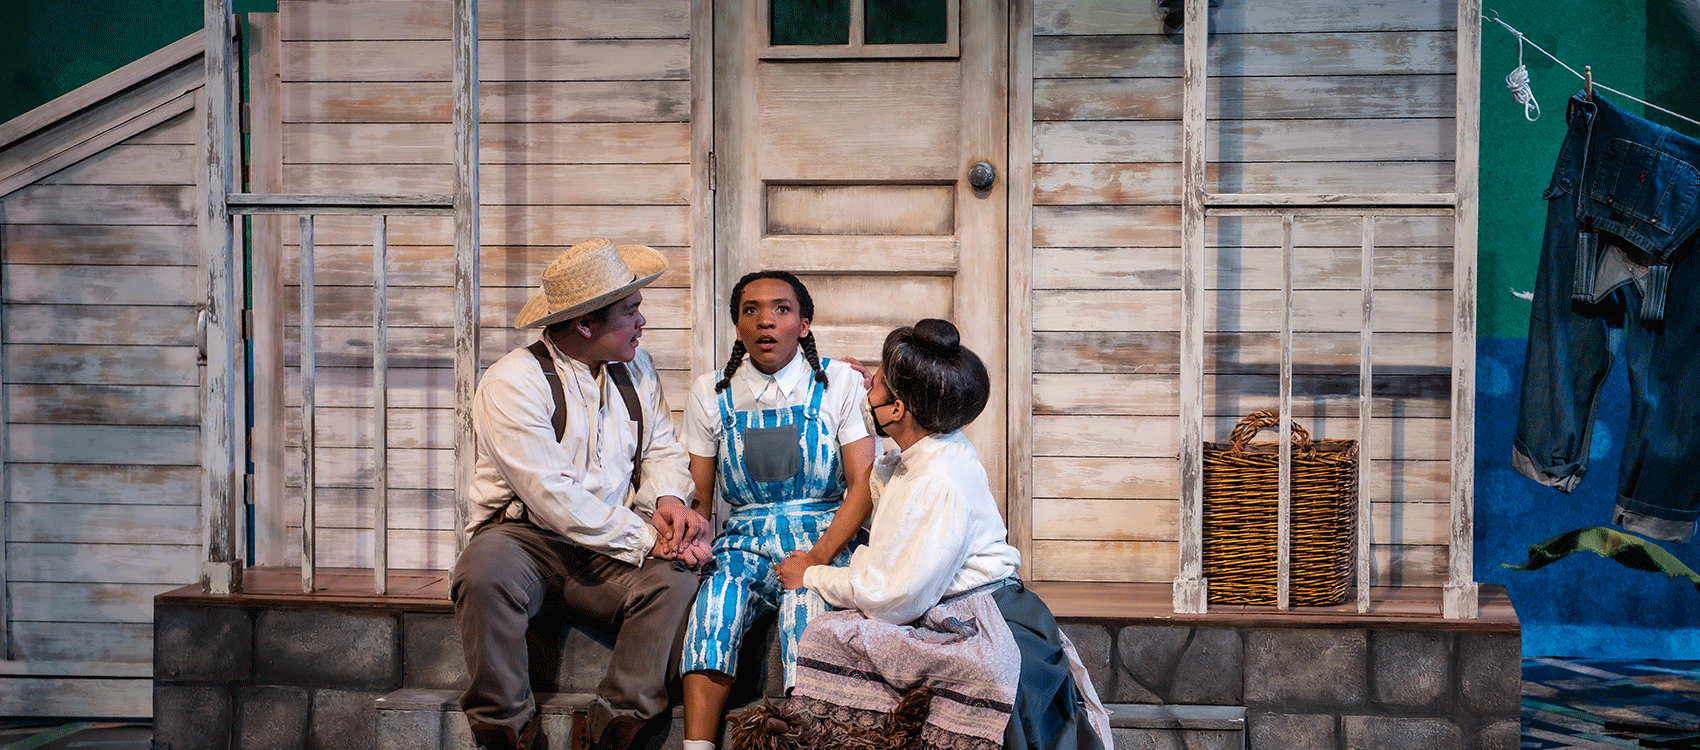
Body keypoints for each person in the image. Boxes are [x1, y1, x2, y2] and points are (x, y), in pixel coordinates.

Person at [770, 318, 1113, 750]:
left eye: (874, 384)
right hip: (948, 604)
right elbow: (879, 483)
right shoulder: (923, 453)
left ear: (898, 410)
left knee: (826, 636)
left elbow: (894, 599)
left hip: (983, 618)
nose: (865, 392)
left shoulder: (938, 479)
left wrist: (814, 575)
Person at [451, 238, 713, 750]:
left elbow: (660, 447)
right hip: (524, 537)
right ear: (585, 325)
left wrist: (669, 502)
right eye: (631, 311)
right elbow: (552, 497)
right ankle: (505, 728)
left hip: (605, 545)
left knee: (678, 577)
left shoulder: (636, 366)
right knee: (482, 574)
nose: (643, 322)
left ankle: (615, 724)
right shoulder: (513, 381)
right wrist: (645, 539)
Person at [677, 271, 876, 750]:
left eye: (782, 309)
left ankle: (809, 740)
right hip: (743, 541)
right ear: (738, 327)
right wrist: (690, 535)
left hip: (822, 538)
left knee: (805, 606)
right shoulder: (712, 392)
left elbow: (863, 486)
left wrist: (817, 559)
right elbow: (701, 498)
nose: (766, 321)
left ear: (804, 324)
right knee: (716, 602)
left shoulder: (839, 382)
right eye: (751, 310)